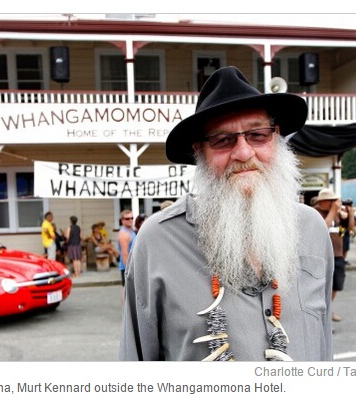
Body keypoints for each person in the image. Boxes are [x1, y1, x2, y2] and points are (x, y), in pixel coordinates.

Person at [119, 66, 333, 361]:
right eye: (222, 140)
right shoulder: (157, 241)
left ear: (276, 138)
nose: (243, 153)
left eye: (257, 135)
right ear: (200, 152)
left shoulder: (311, 227)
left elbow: (323, 345)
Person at [313, 188, 349, 323]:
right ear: (324, 201)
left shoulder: (336, 213)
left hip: (338, 254)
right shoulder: (315, 213)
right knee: (322, 286)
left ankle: (328, 308)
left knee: (336, 285)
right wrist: (333, 211)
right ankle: (321, 312)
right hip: (321, 255)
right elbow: (322, 228)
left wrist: (350, 213)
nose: (335, 203)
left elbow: (350, 228)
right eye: (332, 201)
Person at [117, 209, 136, 287]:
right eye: (127, 218)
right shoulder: (124, 234)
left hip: (133, 265)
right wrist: (128, 271)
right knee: (127, 291)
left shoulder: (131, 231)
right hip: (127, 267)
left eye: (132, 218)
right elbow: (124, 253)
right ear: (122, 220)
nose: (130, 220)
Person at [340, 199, 356, 265]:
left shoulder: (350, 213)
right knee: (342, 245)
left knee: (346, 246)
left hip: (346, 230)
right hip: (341, 229)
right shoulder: (341, 211)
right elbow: (343, 217)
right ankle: (341, 258)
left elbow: (352, 226)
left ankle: (344, 259)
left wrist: (351, 214)